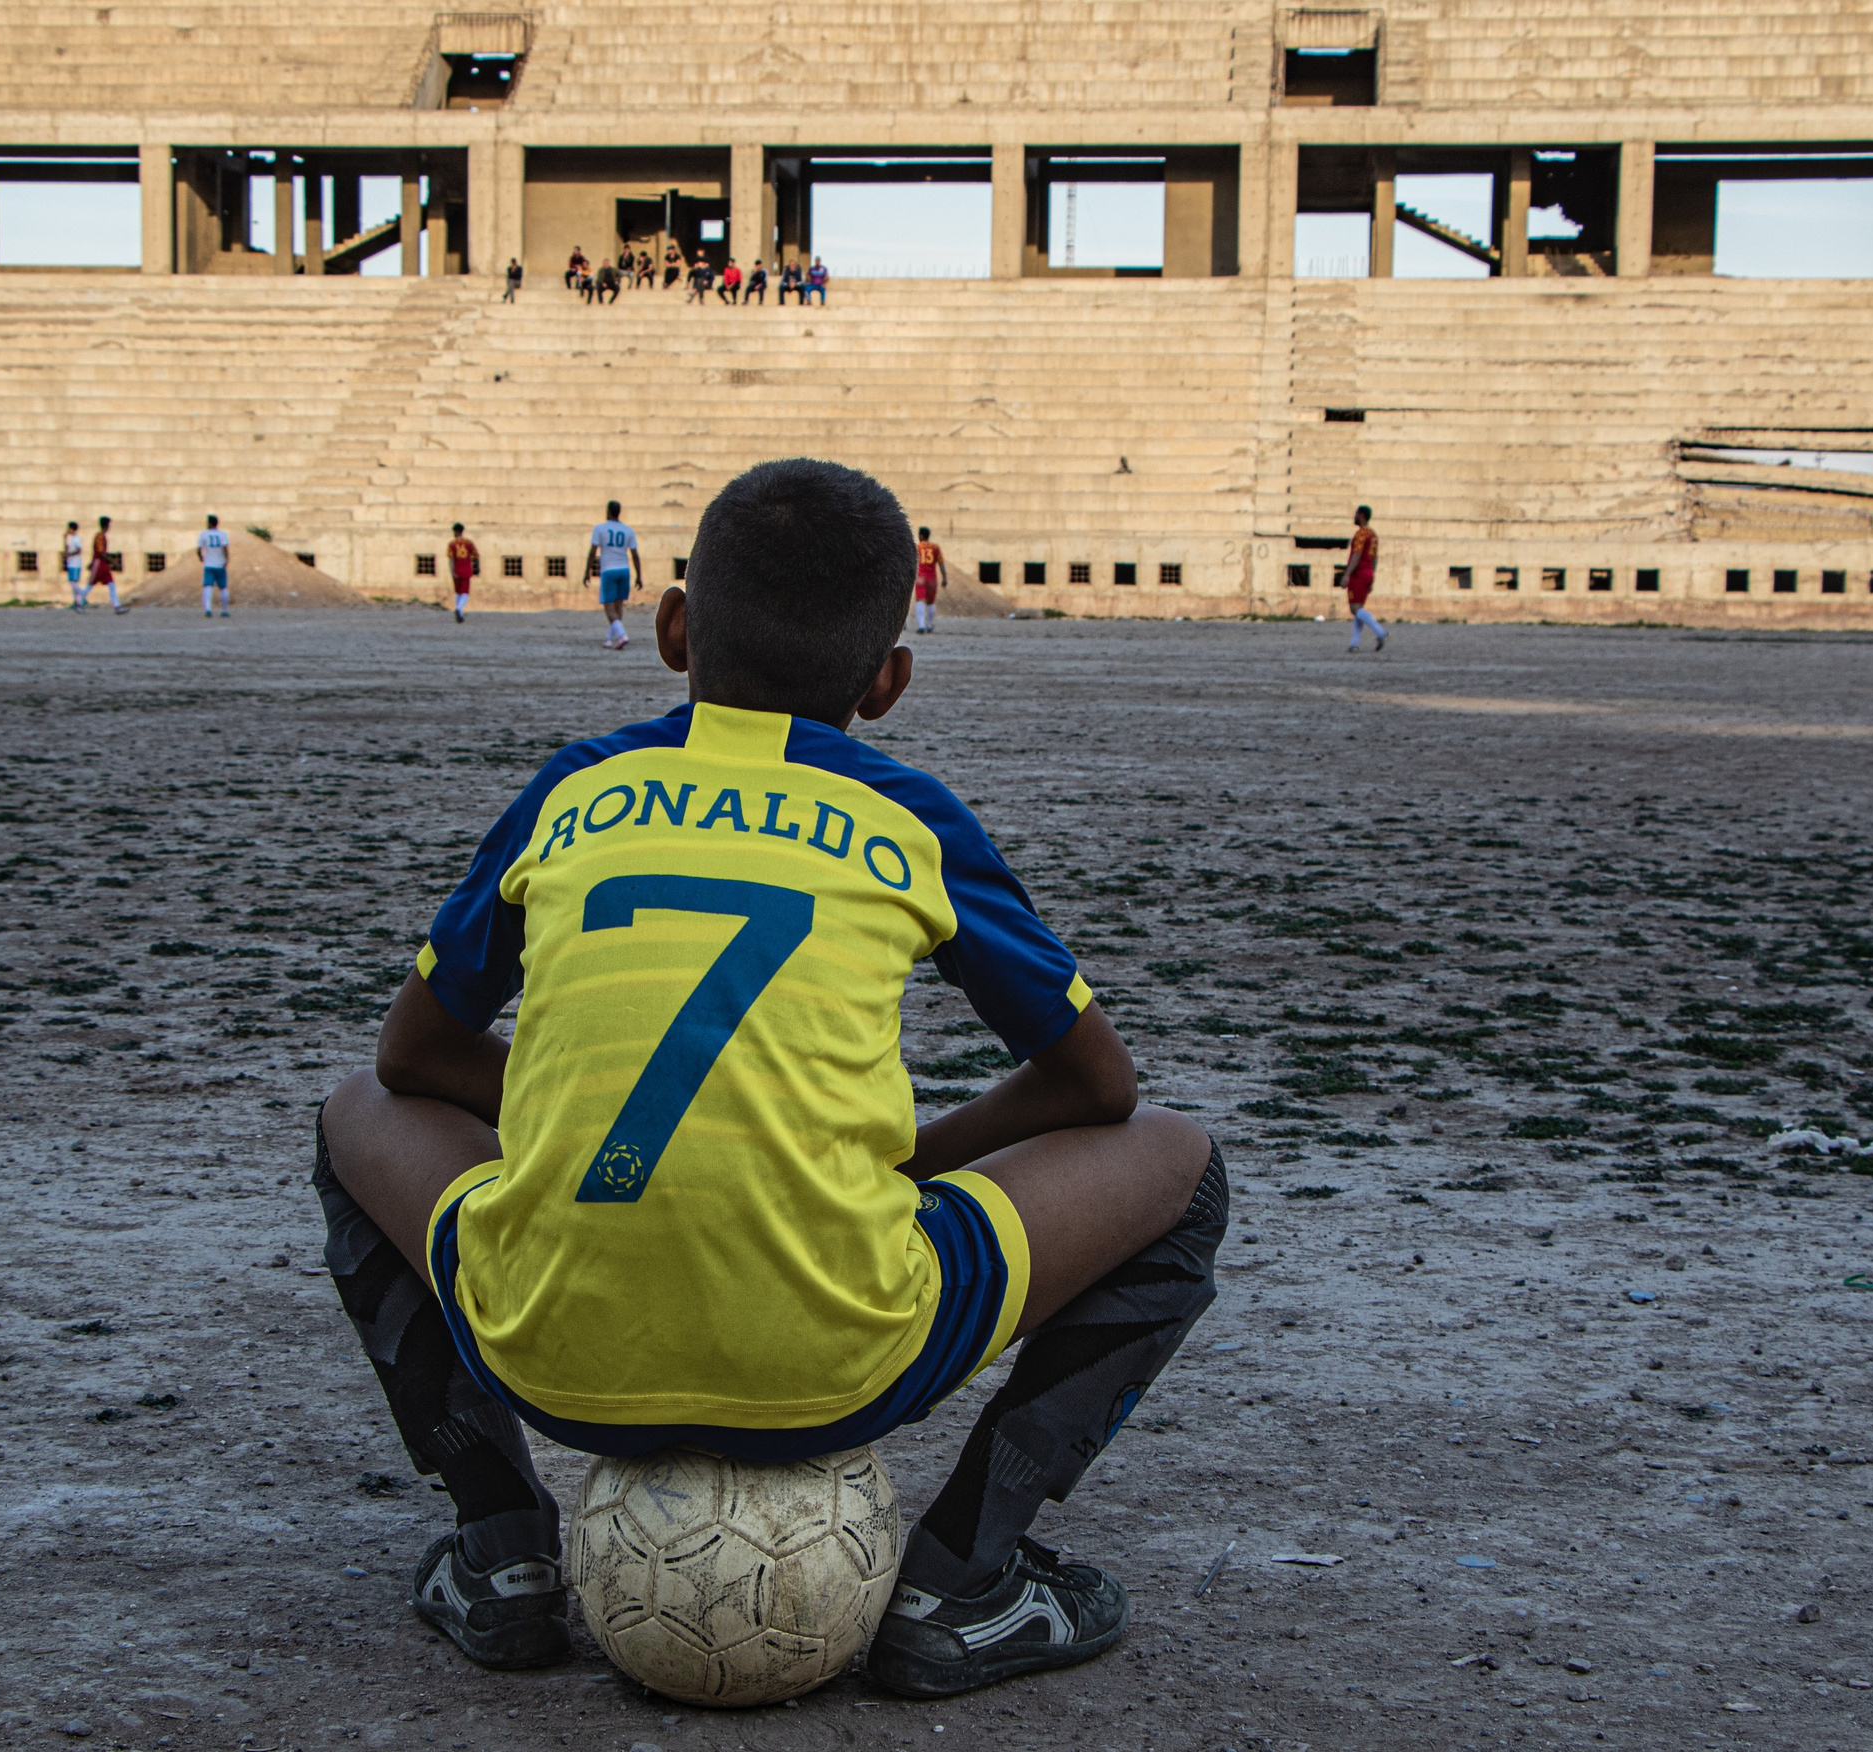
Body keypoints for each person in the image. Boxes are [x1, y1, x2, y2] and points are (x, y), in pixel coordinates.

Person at [311, 457, 1219, 1699]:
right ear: (887, 681)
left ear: (675, 627)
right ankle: (965, 1578)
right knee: (1179, 1161)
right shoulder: (907, 814)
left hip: (550, 1351)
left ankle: (499, 1550)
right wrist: (903, 1158)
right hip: (841, 1363)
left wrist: (578, 1118)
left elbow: (408, 1060)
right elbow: (1097, 1087)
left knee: (353, 1114)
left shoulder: (576, 790)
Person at [587, 498, 640, 649]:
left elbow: (593, 552)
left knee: (609, 608)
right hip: (624, 570)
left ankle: (622, 635)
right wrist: (639, 575)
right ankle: (609, 639)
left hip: (608, 570)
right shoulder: (628, 530)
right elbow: (635, 554)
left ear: (608, 511)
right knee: (618, 607)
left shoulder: (600, 528)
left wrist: (587, 571)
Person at [1344, 504, 1386, 652]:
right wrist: (1372, 575)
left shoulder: (1362, 534)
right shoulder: (1373, 535)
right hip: (1368, 572)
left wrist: (1347, 574)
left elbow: (1356, 555)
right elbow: (1374, 558)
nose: (1354, 517)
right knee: (1359, 609)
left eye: (1356, 514)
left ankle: (1379, 631)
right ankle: (1354, 643)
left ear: (1361, 516)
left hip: (1359, 573)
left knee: (1355, 609)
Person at [84, 515, 128, 614]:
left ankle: (117, 607)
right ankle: (78, 602)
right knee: (90, 585)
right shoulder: (99, 536)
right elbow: (101, 553)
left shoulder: (101, 536)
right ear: (106, 525)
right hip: (99, 564)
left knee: (111, 584)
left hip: (103, 564)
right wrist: (112, 561)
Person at [913, 524, 946, 634]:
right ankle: (930, 625)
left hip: (920, 577)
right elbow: (941, 564)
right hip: (932, 578)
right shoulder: (935, 548)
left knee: (920, 600)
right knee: (931, 602)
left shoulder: (917, 548)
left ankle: (921, 625)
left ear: (921, 536)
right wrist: (944, 577)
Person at [197, 514, 231, 617]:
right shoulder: (223, 534)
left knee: (208, 586)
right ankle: (224, 610)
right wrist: (226, 559)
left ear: (210, 523)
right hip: (220, 564)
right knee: (223, 588)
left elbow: (198, 549)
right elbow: (225, 548)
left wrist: (200, 557)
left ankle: (208, 609)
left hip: (209, 564)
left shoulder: (203, 534)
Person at [446, 522, 479, 622]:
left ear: (455, 532)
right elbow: (476, 556)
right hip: (466, 570)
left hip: (457, 570)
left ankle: (459, 612)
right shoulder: (469, 543)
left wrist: (452, 571)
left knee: (458, 592)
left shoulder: (452, 544)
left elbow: (451, 559)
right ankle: (459, 609)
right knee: (465, 592)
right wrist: (477, 567)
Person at [62, 520, 86, 610]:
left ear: (72, 529)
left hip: (76, 564)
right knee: (72, 583)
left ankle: (83, 596)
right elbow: (66, 548)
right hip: (70, 563)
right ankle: (76, 602)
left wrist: (69, 555)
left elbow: (78, 550)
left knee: (74, 584)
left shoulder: (77, 538)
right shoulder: (70, 538)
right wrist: (64, 539)